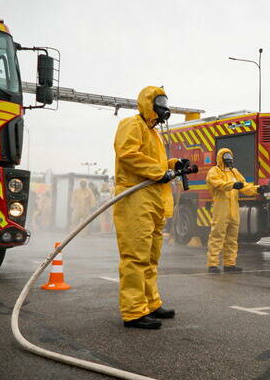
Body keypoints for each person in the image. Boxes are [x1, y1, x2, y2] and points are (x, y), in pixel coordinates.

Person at [113, 86, 189, 329]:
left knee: (150, 256)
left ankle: (150, 303)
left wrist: (176, 164)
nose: (164, 108)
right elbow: (128, 153)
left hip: (153, 199)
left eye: (165, 103)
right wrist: (160, 172)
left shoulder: (154, 133)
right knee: (135, 256)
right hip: (135, 198)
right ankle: (134, 311)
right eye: (160, 103)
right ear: (148, 104)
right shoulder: (132, 124)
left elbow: (157, 164)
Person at [206, 149, 259, 273]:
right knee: (217, 236)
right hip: (221, 209)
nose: (229, 159)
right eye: (226, 156)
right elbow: (218, 183)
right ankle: (212, 264)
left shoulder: (234, 172)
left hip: (234, 210)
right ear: (221, 158)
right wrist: (232, 185)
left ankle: (230, 264)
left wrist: (258, 189)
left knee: (232, 238)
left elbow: (244, 186)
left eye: (230, 156)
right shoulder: (214, 171)